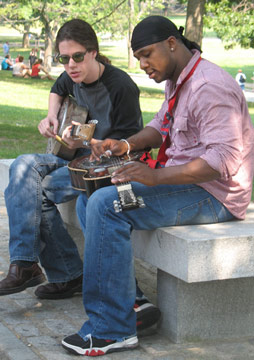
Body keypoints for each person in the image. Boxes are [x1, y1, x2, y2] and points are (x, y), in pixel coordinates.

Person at [61, 15, 254, 356]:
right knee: (89, 200)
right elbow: (161, 125)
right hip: (188, 183)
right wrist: (125, 145)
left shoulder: (209, 87)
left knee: (107, 205)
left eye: (148, 54)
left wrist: (156, 176)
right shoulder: (180, 78)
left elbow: (224, 161)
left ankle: (111, 329)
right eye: (138, 59)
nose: (144, 64)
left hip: (215, 195)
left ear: (171, 43)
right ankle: (129, 304)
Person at [0, 19, 159, 331]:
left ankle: (128, 296)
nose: (69, 65)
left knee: (75, 200)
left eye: (76, 57)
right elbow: (56, 90)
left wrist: (88, 142)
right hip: (77, 164)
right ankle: (29, 264)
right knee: (22, 168)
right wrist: (49, 118)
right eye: (63, 58)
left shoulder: (121, 87)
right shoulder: (70, 77)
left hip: (112, 170)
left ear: (94, 54)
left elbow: (131, 149)